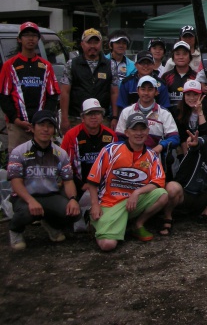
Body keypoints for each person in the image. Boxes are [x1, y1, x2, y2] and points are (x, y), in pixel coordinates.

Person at [87, 112, 168, 250]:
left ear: (148, 131)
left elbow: (159, 181)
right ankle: (97, 224)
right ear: (126, 132)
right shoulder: (111, 150)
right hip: (110, 203)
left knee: (162, 194)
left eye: (142, 129)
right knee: (108, 245)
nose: (139, 133)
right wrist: (95, 205)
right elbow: (93, 180)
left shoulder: (151, 156)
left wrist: (137, 192)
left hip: (133, 202)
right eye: (134, 129)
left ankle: (137, 224)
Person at [6, 110, 80, 250]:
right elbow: (16, 182)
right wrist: (30, 200)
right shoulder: (19, 152)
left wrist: (73, 199)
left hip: (50, 195)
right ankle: (15, 230)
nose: (46, 129)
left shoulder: (60, 153)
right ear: (32, 128)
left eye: (50, 126)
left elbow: (68, 180)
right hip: (25, 197)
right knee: (26, 212)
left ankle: (50, 223)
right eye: (41, 125)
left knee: (74, 213)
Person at [161, 117, 207, 235]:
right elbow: (197, 143)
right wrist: (193, 144)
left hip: (203, 196)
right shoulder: (203, 141)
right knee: (171, 187)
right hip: (184, 195)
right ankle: (167, 217)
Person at [0, 21, 60, 152]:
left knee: (44, 162)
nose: (30, 38)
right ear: (19, 39)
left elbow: (53, 95)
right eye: (26, 35)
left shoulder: (46, 66)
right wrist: (16, 120)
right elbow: (3, 97)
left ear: (38, 39)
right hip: (17, 126)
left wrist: (44, 120)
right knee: (18, 164)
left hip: (41, 126)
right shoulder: (9, 65)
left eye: (34, 35)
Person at [60, 98, 117, 225]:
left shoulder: (111, 136)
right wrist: (81, 184)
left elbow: (115, 165)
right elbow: (64, 166)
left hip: (104, 185)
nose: (93, 117)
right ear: (82, 117)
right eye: (89, 114)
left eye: (97, 113)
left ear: (102, 117)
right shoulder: (71, 136)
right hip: (78, 184)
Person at [59, 28, 119, 135]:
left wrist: (115, 117)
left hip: (102, 119)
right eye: (89, 42)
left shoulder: (111, 65)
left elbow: (114, 92)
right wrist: (64, 119)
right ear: (82, 44)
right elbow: (64, 92)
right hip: (76, 119)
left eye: (96, 42)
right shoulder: (71, 64)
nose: (92, 46)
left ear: (101, 44)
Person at [116, 76, 180, 163]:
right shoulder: (127, 112)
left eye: (150, 89)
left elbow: (175, 138)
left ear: (156, 92)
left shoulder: (164, 113)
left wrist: (160, 146)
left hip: (155, 160)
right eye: (143, 89)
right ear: (137, 91)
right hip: (130, 158)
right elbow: (119, 137)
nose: (146, 93)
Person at [170, 79, 207, 158]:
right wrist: (187, 157)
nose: (191, 98)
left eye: (195, 94)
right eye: (188, 94)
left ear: (201, 95)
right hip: (186, 146)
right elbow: (182, 136)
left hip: (206, 146)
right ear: (184, 96)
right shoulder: (178, 110)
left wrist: (200, 112)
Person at [117, 50, 171, 115]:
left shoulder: (161, 84)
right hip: (131, 120)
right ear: (136, 65)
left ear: (153, 65)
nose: (145, 66)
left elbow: (165, 108)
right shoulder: (126, 83)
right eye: (142, 63)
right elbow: (122, 106)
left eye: (149, 63)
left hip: (156, 120)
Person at [160, 41, 197, 112]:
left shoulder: (196, 77)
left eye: (185, 54)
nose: (181, 57)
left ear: (190, 57)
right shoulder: (166, 76)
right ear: (173, 58)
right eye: (177, 54)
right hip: (170, 117)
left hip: (191, 116)